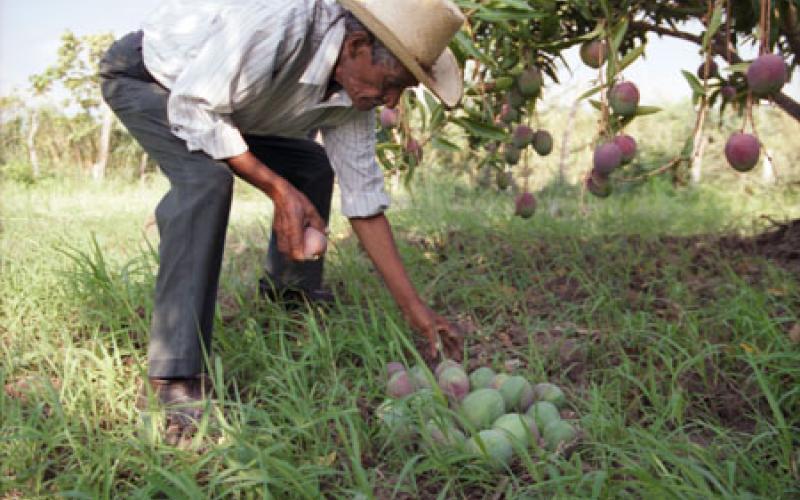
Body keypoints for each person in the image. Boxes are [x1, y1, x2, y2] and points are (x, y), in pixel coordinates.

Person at [98, 0, 467, 437]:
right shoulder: (285, 22)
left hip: (227, 106)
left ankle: (291, 296)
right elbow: (196, 107)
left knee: (312, 165)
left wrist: (415, 309)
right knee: (205, 182)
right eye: (390, 83)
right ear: (356, 45)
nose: (389, 100)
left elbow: (364, 199)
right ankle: (174, 376)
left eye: (401, 92)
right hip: (155, 82)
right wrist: (278, 190)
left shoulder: (354, 98)